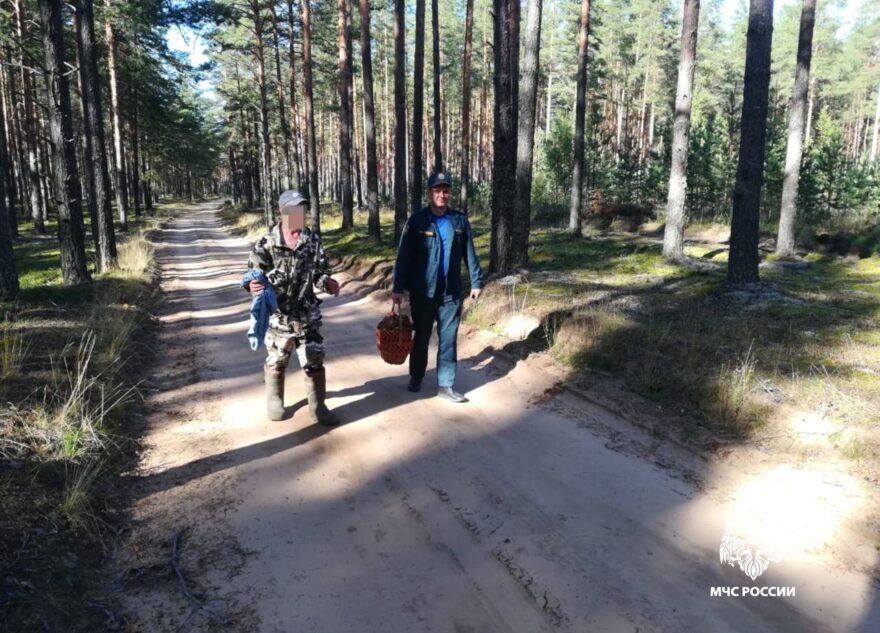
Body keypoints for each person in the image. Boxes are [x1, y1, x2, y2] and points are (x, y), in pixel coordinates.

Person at [246, 190, 341, 424]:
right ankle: (274, 400)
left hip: (307, 312)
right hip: (278, 314)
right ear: (282, 211)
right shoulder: (266, 242)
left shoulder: (312, 240)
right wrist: (252, 285)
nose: (299, 214)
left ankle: (318, 406)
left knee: (315, 357)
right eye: (293, 209)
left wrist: (326, 283)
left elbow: (320, 271)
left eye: (302, 209)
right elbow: (252, 275)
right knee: (277, 359)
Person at [391, 172, 484, 403]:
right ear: (429, 193)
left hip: (450, 291)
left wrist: (476, 281)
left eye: (445, 190)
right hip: (423, 291)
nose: (442, 195)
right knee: (421, 337)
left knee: (449, 338)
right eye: (437, 190)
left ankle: (446, 385)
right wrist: (397, 287)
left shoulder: (459, 221)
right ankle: (417, 376)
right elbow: (404, 256)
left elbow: (469, 252)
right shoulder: (417, 221)